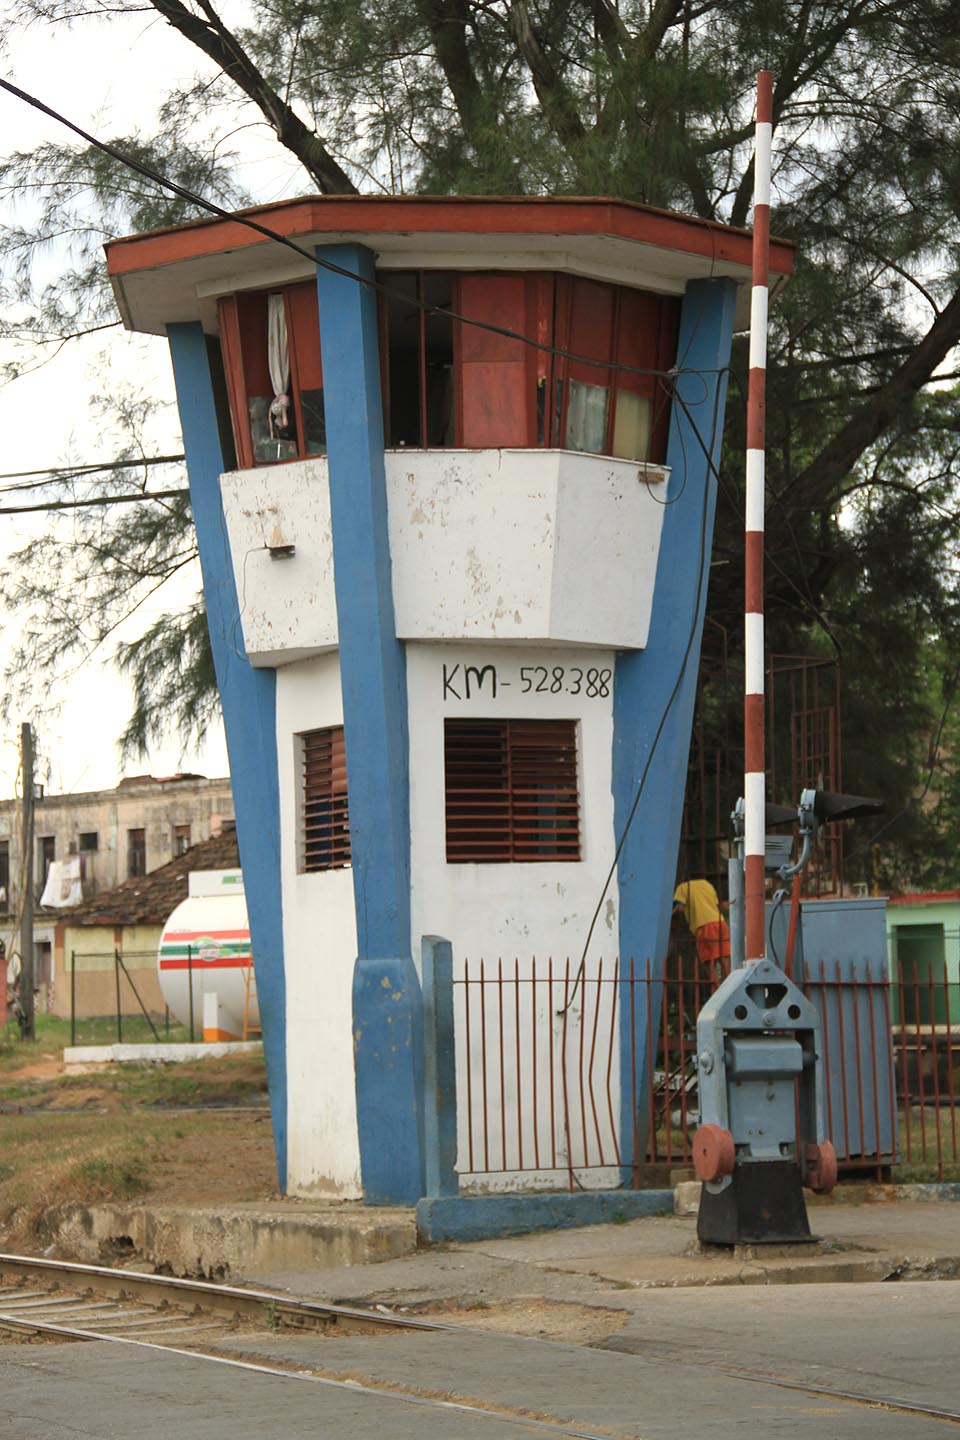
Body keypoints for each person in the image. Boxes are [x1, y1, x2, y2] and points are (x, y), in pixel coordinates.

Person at [673, 879, 731, 986]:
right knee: (725, 957)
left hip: (703, 926)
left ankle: (717, 990)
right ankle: (730, 986)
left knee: (709, 962)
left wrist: (671, 912)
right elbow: (716, 904)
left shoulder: (682, 887)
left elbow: (680, 908)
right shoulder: (707, 884)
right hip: (720, 923)